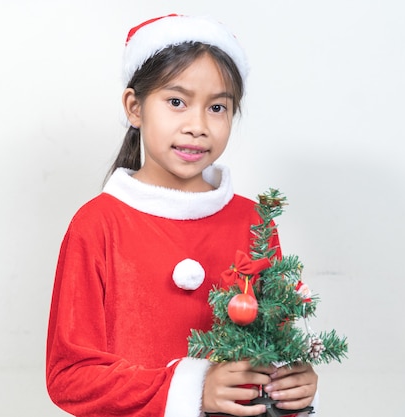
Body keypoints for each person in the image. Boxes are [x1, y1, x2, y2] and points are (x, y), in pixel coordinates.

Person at [46, 14, 318, 417]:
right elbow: (70, 376)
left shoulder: (254, 222)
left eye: (217, 107)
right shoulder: (98, 224)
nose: (197, 126)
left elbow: (272, 348)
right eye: (176, 102)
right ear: (134, 107)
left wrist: (292, 381)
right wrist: (193, 389)